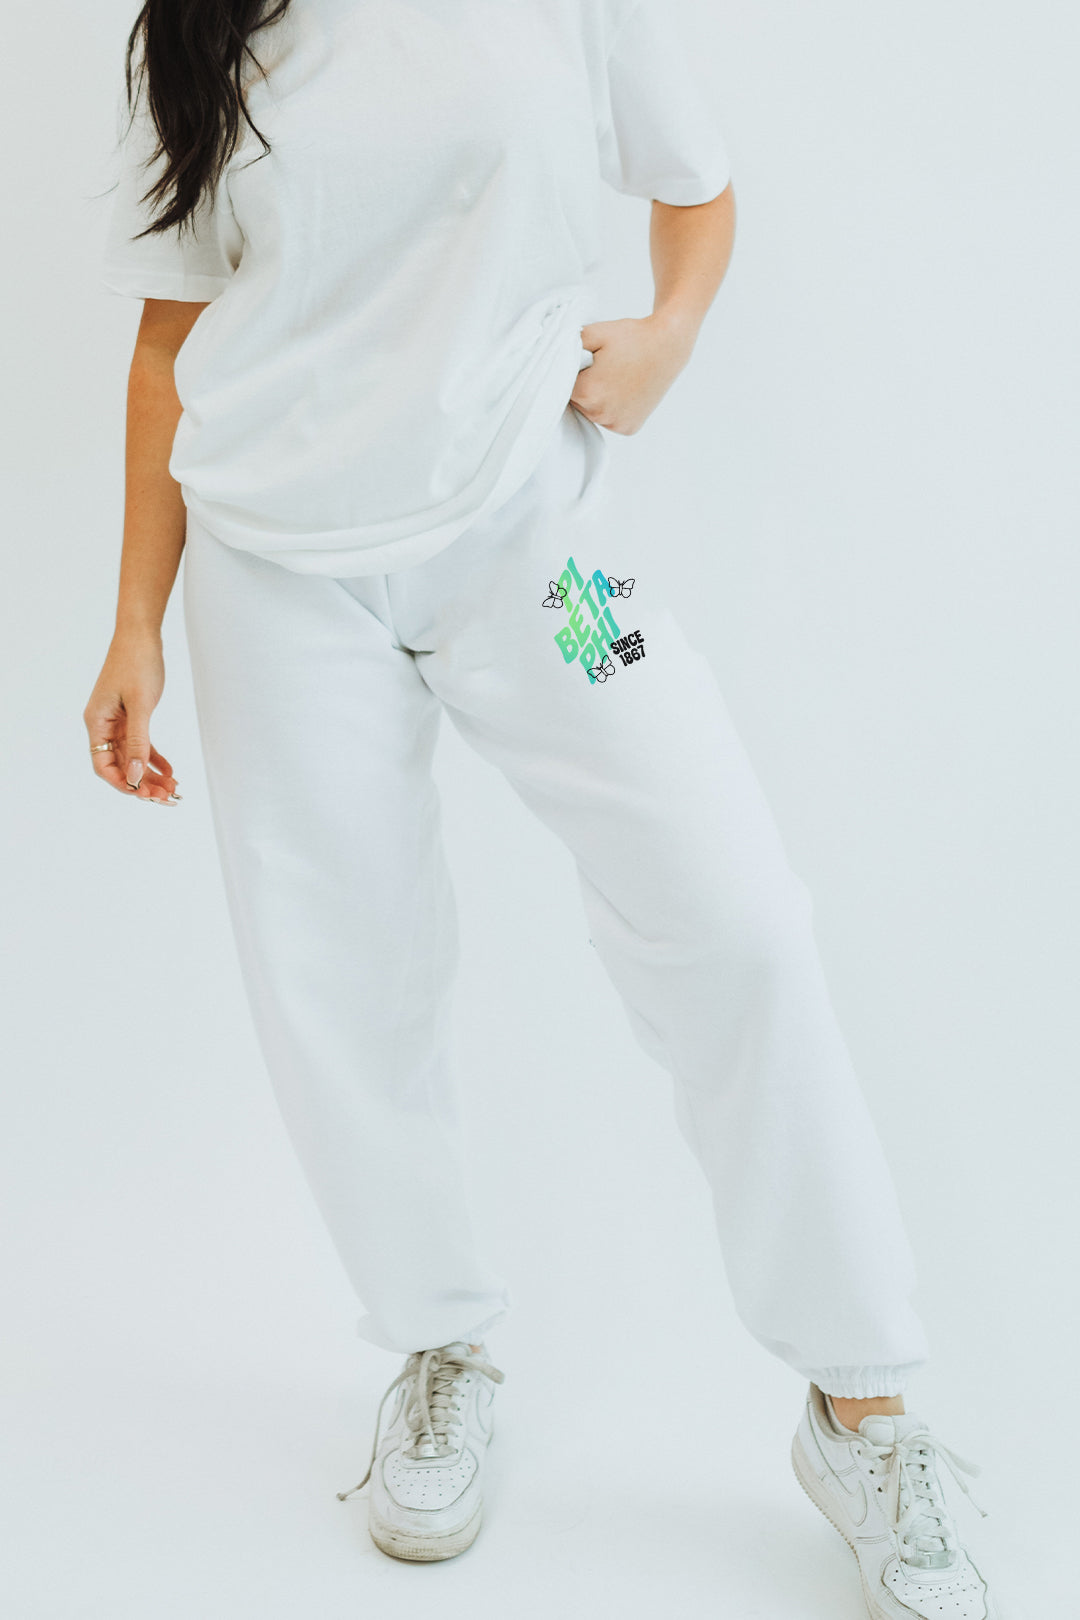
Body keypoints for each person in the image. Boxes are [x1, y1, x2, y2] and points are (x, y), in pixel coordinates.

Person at [85, 0, 997, 1611]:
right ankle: (441, 1348)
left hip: (532, 546)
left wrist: (669, 335)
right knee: (340, 987)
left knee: (735, 918)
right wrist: (135, 623)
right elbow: (171, 335)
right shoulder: (201, 25)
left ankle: (864, 1404)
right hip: (275, 575)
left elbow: (697, 186)